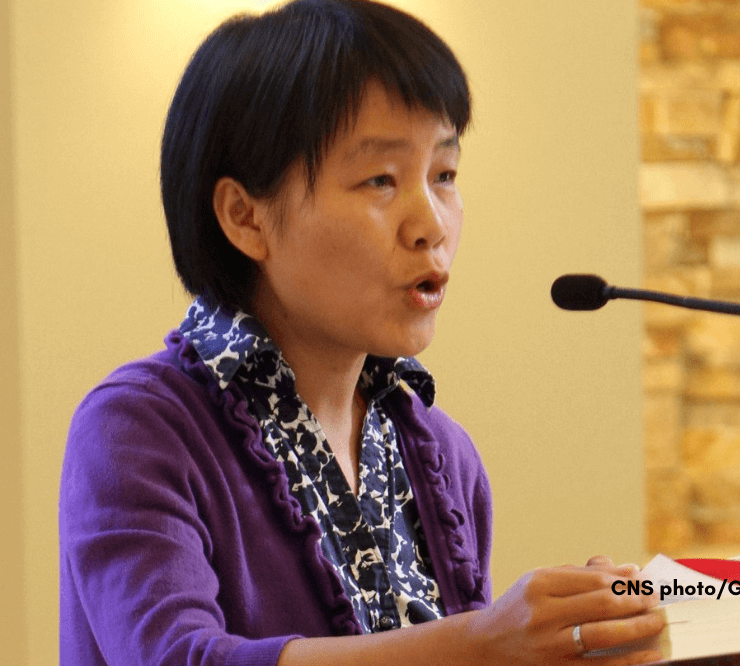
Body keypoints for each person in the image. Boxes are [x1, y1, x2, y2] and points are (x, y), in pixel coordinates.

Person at [58, 1, 665, 664]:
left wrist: (581, 640)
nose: (430, 222)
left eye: (445, 175)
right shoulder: (138, 427)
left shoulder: (439, 452)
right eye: (380, 179)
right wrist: (484, 643)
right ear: (245, 217)